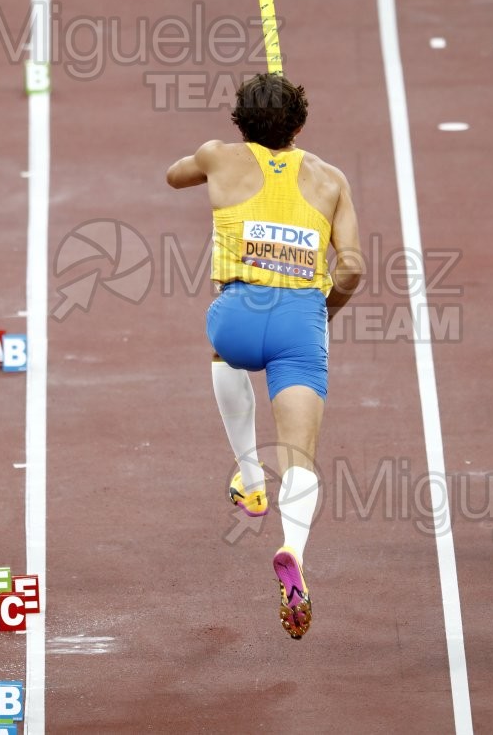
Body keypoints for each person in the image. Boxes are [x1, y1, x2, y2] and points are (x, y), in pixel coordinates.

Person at [166, 73, 362, 638]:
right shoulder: (330, 179)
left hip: (237, 316)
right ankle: (292, 549)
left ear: (239, 122)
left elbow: (173, 176)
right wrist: (325, 312)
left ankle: (249, 477)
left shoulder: (216, 156)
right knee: (300, 456)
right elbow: (351, 268)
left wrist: (220, 159)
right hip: (300, 320)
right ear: (299, 127)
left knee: (222, 355)